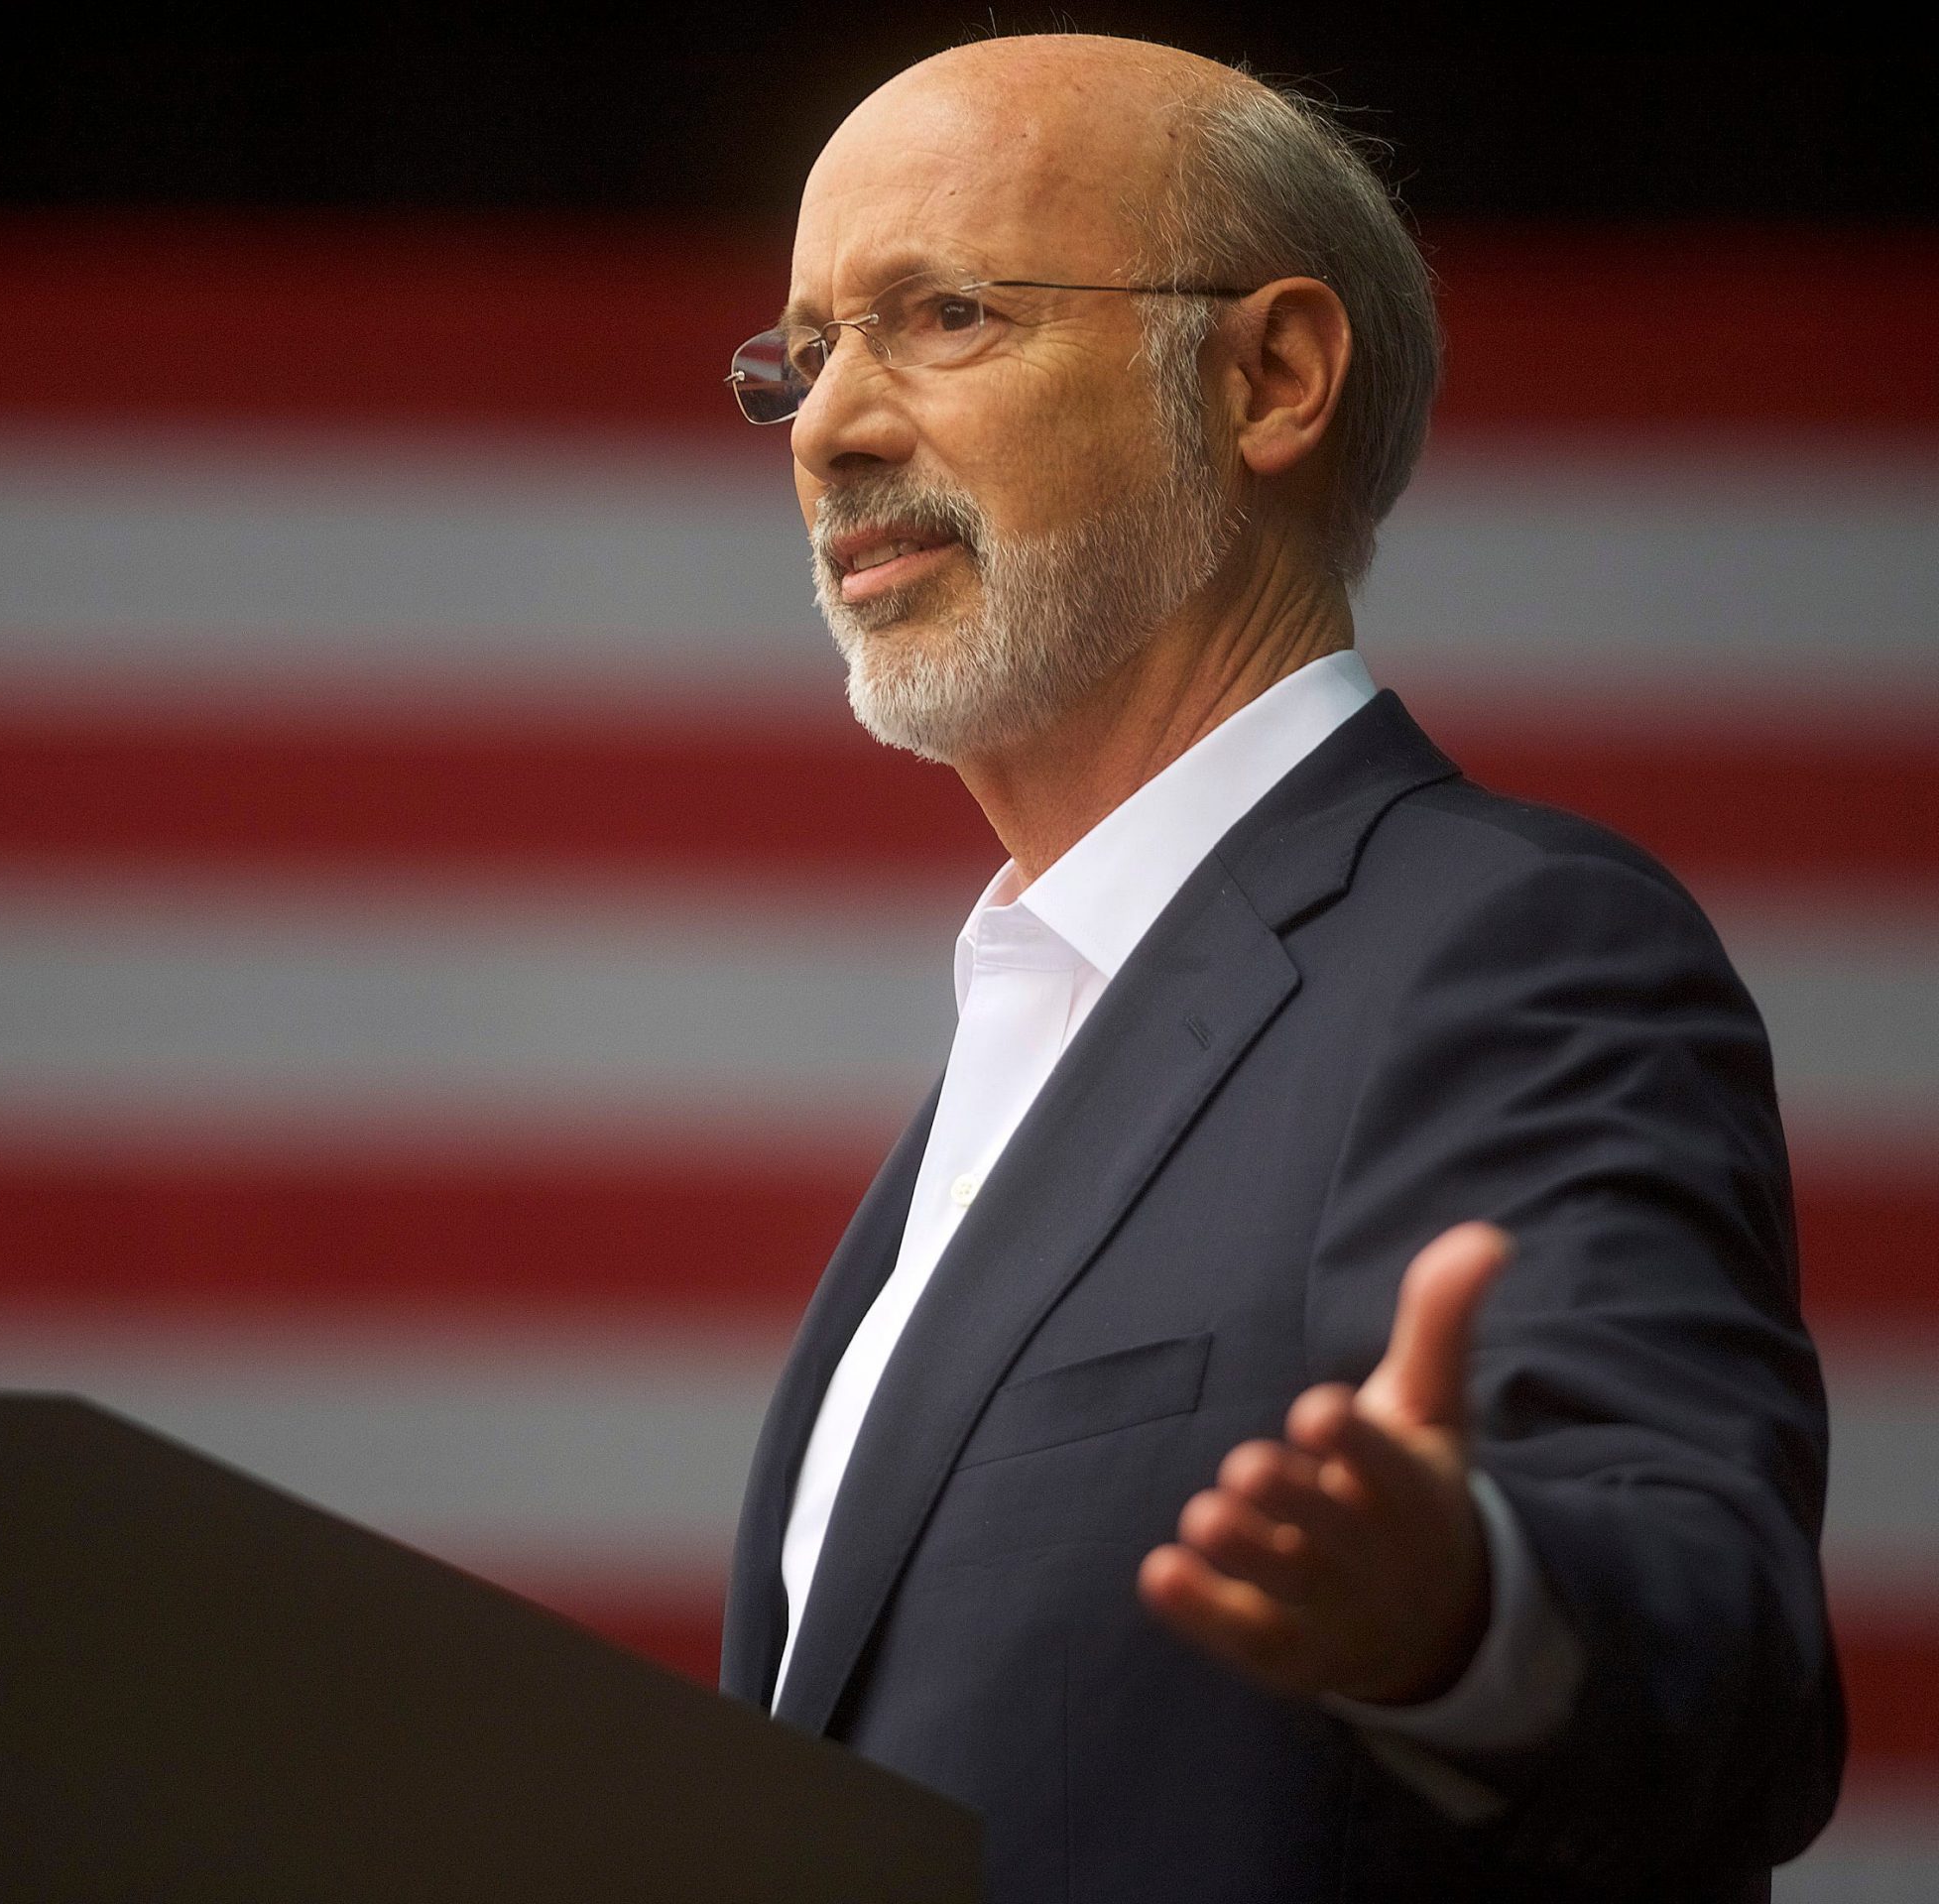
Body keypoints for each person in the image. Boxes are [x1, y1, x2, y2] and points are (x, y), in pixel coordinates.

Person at [716, 35, 1843, 1901]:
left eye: (944, 315)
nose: (832, 426)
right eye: (807, 351)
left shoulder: (1503, 950)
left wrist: (1467, 1610)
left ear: (1272, 375)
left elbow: (1724, 1659)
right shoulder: (1036, 1021)